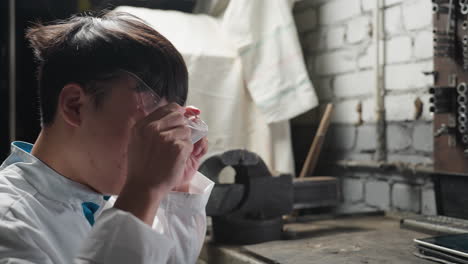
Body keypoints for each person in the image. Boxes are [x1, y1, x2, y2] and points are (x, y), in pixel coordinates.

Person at [0, 10, 213, 264]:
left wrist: (176, 187)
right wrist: (144, 189)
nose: (157, 140)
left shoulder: (107, 200)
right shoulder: (9, 221)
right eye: (148, 125)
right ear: (75, 106)